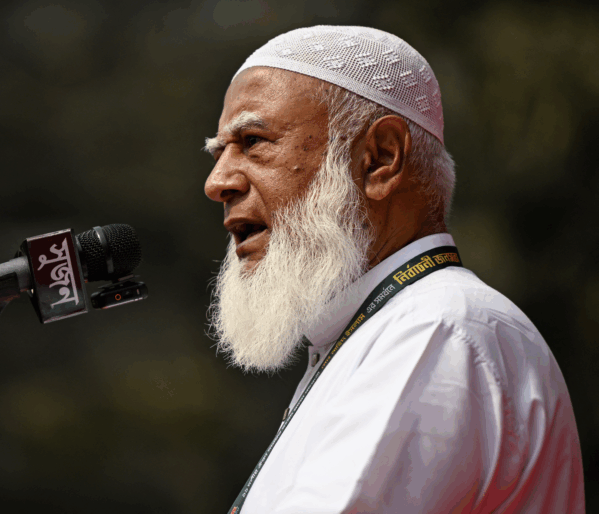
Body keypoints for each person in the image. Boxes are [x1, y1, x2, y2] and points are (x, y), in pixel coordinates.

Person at [203, 26, 584, 513]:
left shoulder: (435, 329)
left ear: (380, 159)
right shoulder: (388, 330)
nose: (218, 182)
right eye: (219, 152)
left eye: (253, 141)